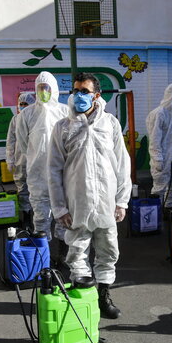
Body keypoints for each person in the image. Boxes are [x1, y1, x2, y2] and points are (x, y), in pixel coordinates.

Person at [48, 72, 131, 319]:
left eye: (84, 91)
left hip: (106, 203)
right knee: (77, 253)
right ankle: (83, 301)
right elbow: (53, 169)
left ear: (97, 95)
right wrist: (60, 208)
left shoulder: (110, 124)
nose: (78, 96)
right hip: (77, 204)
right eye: (75, 91)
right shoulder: (63, 127)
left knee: (108, 253)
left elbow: (121, 164)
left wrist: (121, 200)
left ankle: (103, 296)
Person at [15, 71, 68, 252]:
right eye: (40, 88)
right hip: (37, 175)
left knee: (64, 215)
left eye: (47, 88)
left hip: (63, 174)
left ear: (54, 89)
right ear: (35, 90)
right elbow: (23, 144)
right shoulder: (26, 115)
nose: (44, 91)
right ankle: (43, 257)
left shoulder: (65, 111)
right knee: (40, 216)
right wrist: (35, 158)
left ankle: (62, 252)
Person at [146, 83, 172, 211]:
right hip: (162, 158)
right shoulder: (159, 114)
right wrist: (157, 158)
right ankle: (154, 214)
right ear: (170, 96)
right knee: (160, 186)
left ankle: (169, 209)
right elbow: (154, 139)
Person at [6, 92, 36, 225]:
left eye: (26, 104)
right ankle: (26, 215)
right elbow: (10, 141)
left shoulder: (38, 119)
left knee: (37, 188)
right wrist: (10, 159)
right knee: (22, 187)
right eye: (21, 104)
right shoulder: (15, 119)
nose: (23, 106)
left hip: (36, 160)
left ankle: (40, 216)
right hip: (20, 160)